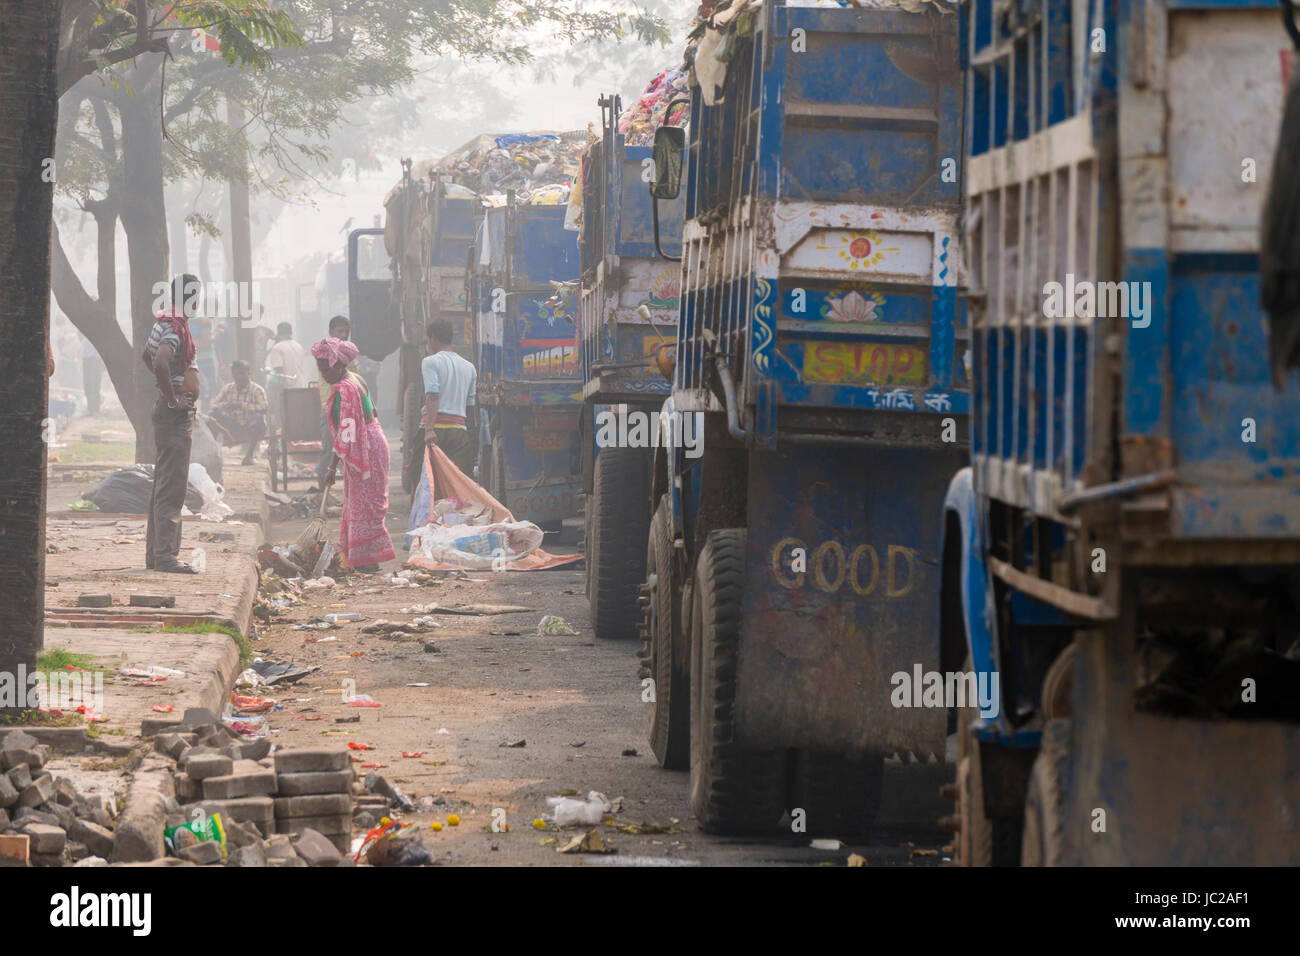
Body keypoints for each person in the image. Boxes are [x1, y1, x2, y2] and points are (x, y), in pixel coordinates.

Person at [314, 337, 395, 573]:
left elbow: (347, 436)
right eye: (321, 371)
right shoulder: (355, 379)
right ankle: (361, 557)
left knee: (364, 505)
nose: (324, 376)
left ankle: (368, 560)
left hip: (366, 449)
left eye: (326, 370)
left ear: (339, 365)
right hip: (374, 440)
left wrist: (331, 468)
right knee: (361, 503)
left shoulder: (345, 390)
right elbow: (374, 411)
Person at [142, 274, 201, 574]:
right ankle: (165, 557)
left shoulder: (164, 321)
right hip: (174, 416)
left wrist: (167, 390)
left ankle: (157, 554)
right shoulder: (174, 328)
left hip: (171, 413)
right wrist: (172, 398)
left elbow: (147, 357)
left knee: (164, 483)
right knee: (172, 486)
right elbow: (160, 362)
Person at [422, 319, 478, 477]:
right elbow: (470, 405)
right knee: (457, 481)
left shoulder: (430, 362)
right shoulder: (470, 367)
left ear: (433, 338)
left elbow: (433, 395)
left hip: (436, 430)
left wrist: (429, 429)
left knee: (424, 482)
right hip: (459, 431)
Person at [315, 315, 366, 485]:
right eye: (339, 331)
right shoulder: (328, 353)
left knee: (347, 447)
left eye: (346, 332)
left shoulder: (345, 355)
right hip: (331, 406)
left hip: (347, 408)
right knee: (330, 448)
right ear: (331, 332)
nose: (344, 335)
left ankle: (350, 487)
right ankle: (322, 485)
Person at [209, 360, 269, 465]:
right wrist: (226, 406)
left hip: (249, 426)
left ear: (248, 373)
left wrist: (242, 406)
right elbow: (214, 404)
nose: (239, 377)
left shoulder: (257, 390)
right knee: (212, 415)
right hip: (231, 426)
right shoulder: (228, 388)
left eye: (242, 374)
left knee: (258, 417)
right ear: (233, 375)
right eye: (236, 374)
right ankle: (212, 453)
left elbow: (264, 407)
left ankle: (249, 455)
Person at [265, 321, 309, 388]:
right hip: (301, 386)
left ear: (278, 333)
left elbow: (279, 370)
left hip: (287, 389)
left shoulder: (277, 347)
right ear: (291, 332)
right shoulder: (299, 346)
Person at [81, 334, 103, 417]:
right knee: (87, 385)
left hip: (95, 360)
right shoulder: (83, 335)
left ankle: (95, 409)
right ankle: (90, 409)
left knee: (95, 385)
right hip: (86, 360)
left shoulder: (97, 334)